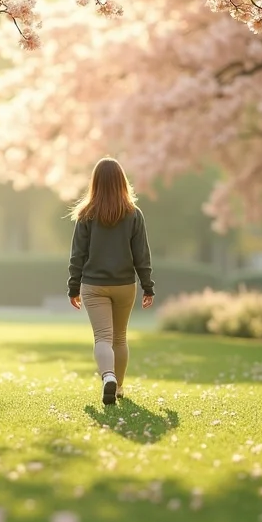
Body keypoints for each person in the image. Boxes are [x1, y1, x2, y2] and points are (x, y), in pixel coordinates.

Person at [67, 157, 155, 406]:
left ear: (95, 183)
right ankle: (119, 388)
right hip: (125, 285)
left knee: (103, 338)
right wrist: (148, 286)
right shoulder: (134, 214)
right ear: (121, 182)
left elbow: (77, 255)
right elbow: (142, 255)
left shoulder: (86, 214)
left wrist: (73, 287)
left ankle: (108, 377)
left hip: (94, 285)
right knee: (119, 338)